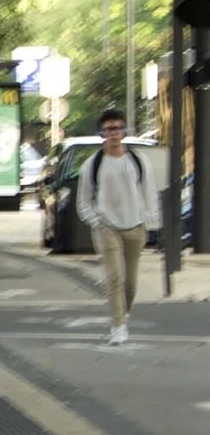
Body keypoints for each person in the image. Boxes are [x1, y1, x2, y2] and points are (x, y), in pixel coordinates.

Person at [77, 108, 154, 346]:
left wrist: (148, 219)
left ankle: (124, 313)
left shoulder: (138, 161)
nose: (114, 133)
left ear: (124, 131)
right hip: (106, 227)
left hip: (135, 226)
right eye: (109, 129)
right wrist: (96, 220)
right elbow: (84, 199)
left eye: (118, 128)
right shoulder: (93, 164)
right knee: (115, 278)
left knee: (130, 281)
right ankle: (118, 325)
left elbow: (149, 193)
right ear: (102, 133)